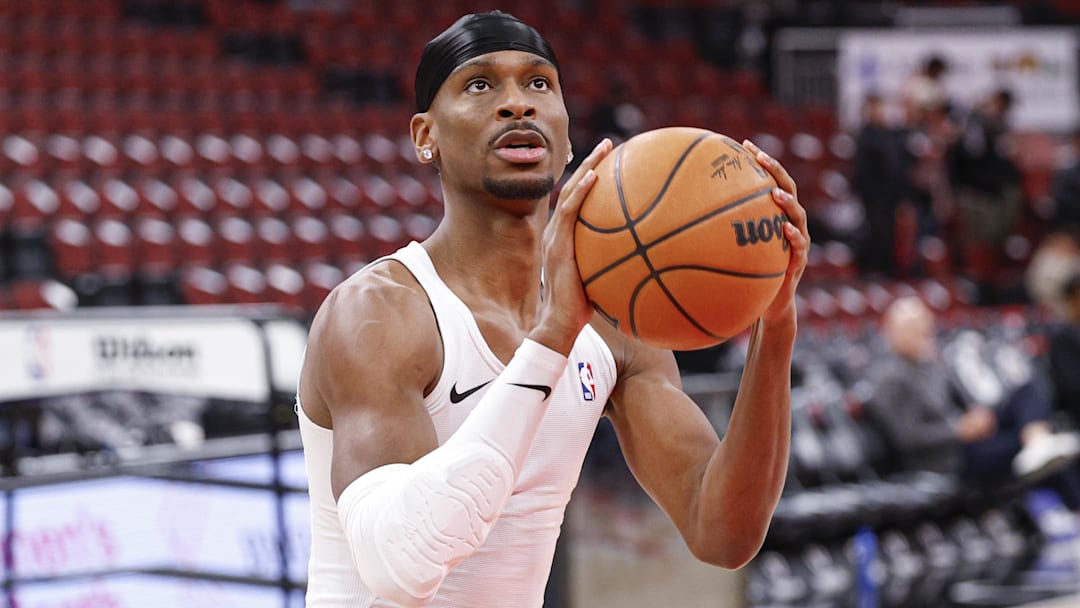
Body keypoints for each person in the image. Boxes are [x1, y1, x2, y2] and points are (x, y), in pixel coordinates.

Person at [295, 11, 809, 608]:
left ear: (567, 137)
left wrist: (776, 324)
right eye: (480, 85)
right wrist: (553, 335)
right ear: (424, 136)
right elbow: (400, 568)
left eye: (539, 84)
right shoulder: (379, 313)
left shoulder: (616, 321)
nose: (518, 104)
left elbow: (721, 529)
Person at [868, 297, 1080, 488]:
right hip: (946, 457)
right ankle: (1041, 449)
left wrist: (977, 418)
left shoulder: (931, 366)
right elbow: (908, 438)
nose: (926, 332)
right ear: (895, 333)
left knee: (1026, 390)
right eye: (916, 328)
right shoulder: (890, 378)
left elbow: (961, 405)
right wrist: (958, 430)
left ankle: (1037, 440)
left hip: (969, 441)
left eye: (927, 325)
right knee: (1037, 452)